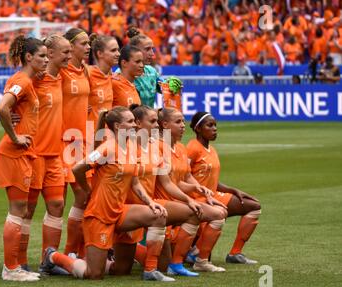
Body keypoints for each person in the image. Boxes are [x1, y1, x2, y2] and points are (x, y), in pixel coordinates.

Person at [39, 107, 170, 281]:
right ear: (117, 126)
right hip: (99, 214)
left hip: (120, 210)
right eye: (130, 122)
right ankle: (53, 257)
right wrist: (87, 189)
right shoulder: (107, 148)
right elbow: (78, 168)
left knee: (158, 215)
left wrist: (149, 202)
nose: (134, 125)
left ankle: (150, 270)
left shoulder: (131, 147)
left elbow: (135, 182)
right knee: (94, 274)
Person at [112, 105, 227, 278]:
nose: (156, 126)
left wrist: (191, 198)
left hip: (150, 204)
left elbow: (168, 182)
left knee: (161, 265)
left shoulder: (155, 147)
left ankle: (172, 261)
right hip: (126, 207)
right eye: (152, 122)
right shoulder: (122, 146)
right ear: (137, 123)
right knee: (106, 271)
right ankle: (72, 257)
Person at [18, 34, 72, 275]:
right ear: (50, 54)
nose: (69, 57)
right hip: (34, 153)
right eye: (65, 53)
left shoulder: (60, 77)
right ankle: (18, 261)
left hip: (55, 154)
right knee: (26, 210)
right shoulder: (34, 80)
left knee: (57, 205)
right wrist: (13, 118)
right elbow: (11, 98)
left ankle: (48, 260)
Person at [0, 35, 48, 282]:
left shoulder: (28, 81)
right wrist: (15, 137)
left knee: (21, 210)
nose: (46, 60)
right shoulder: (22, 81)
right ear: (29, 57)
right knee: (17, 211)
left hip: (23, 153)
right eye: (42, 56)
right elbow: (1, 107)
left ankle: (14, 266)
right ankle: (10, 269)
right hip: (14, 152)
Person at [64, 33, 120, 258]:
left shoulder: (110, 78)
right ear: (100, 54)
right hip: (81, 141)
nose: (117, 53)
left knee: (94, 199)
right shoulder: (88, 73)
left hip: (102, 145)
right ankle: (69, 252)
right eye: (113, 50)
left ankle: (86, 251)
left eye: (119, 50)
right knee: (82, 197)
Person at [154, 108, 228, 273]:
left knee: (219, 213)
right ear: (165, 124)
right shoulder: (157, 148)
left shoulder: (180, 147)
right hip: (161, 201)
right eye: (178, 122)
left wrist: (200, 190)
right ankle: (185, 257)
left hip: (176, 200)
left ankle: (195, 260)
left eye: (183, 121)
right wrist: (190, 199)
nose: (183, 126)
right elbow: (167, 184)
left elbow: (185, 177)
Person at [187, 112, 262, 266]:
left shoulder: (211, 149)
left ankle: (235, 253)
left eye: (215, 125)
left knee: (253, 206)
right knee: (201, 243)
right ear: (198, 129)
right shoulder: (192, 148)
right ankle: (193, 252)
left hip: (212, 195)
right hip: (197, 198)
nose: (215, 129)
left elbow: (211, 179)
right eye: (210, 125)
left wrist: (233, 190)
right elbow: (183, 175)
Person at [60, 28, 92, 259]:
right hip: (60, 141)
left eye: (89, 43)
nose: (88, 47)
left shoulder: (85, 72)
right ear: (70, 46)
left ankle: (72, 252)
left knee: (84, 196)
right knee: (56, 203)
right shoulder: (60, 72)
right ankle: (46, 257)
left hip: (80, 142)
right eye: (84, 43)